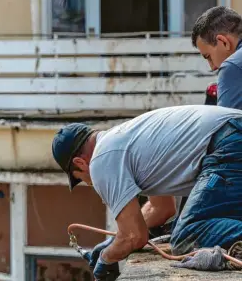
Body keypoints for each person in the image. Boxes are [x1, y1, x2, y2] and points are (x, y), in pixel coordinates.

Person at [51, 105, 242, 280]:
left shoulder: (101, 160)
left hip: (228, 144)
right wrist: (116, 239)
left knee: (187, 237)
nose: (89, 182)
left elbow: (135, 236)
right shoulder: (124, 138)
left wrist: (106, 258)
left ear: (80, 162)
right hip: (232, 135)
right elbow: (161, 209)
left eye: (81, 178)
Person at [192, 6, 242, 109]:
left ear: (223, 42)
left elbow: (226, 124)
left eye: (208, 57)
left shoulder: (232, 67)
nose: (212, 67)